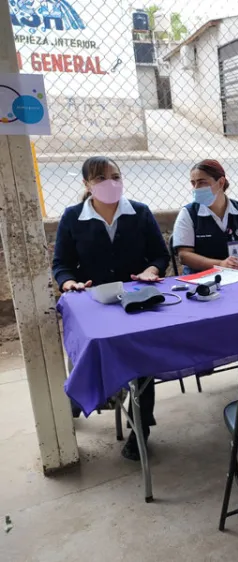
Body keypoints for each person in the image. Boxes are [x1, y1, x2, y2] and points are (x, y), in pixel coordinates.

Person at [52, 156, 170, 461]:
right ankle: (82, 395)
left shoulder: (140, 213)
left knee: (142, 356)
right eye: (101, 178)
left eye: (115, 176)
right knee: (87, 348)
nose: (110, 183)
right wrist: (68, 283)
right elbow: (61, 265)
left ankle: (141, 427)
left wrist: (152, 271)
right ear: (87, 185)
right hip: (92, 299)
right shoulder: (72, 217)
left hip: (135, 299)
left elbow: (159, 254)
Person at [172, 159, 238, 274]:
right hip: (201, 278)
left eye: (202, 182)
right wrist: (220, 265)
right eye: (193, 183)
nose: (196, 188)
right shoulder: (188, 213)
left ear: (221, 182)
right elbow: (184, 255)